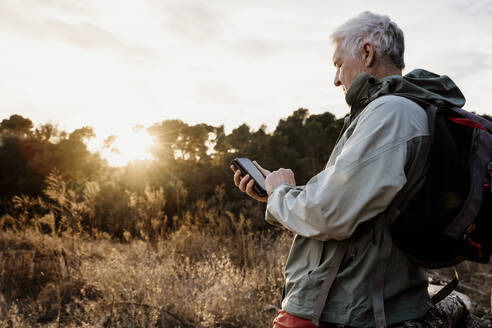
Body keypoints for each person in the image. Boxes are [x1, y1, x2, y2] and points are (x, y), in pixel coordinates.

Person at [231, 11, 468, 328]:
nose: (336, 79)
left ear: (367, 53)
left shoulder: (390, 113)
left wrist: (281, 193)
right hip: (359, 303)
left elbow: (329, 214)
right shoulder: (405, 110)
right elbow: (363, 205)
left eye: (338, 64)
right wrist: (277, 195)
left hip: (350, 310)